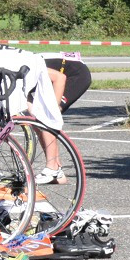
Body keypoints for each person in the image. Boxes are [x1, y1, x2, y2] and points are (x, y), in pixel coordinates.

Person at [35, 53, 92, 184]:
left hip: (76, 75)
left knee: (46, 116)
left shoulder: (27, 65)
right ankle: (57, 172)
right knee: (36, 119)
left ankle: (53, 168)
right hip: (62, 72)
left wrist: (53, 111)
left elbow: (60, 77)